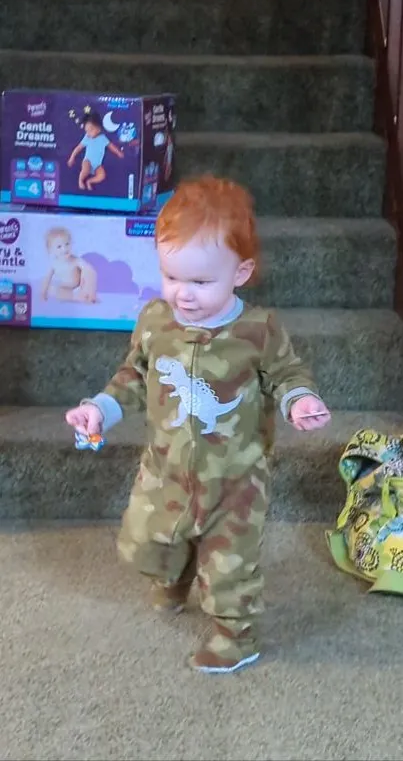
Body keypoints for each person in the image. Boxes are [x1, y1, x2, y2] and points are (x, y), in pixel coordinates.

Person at [65, 175, 331, 674]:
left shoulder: (258, 330)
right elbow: (134, 374)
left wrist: (300, 400)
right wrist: (100, 406)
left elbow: (288, 373)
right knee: (150, 538)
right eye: (171, 277)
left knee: (229, 565)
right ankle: (174, 575)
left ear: (241, 272)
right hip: (165, 467)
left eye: (201, 282)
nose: (182, 294)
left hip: (235, 478)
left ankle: (236, 634)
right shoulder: (155, 320)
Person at [67, 111, 123, 191]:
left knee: (102, 175)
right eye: (87, 131)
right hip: (88, 161)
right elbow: (78, 148)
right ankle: (80, 181)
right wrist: (72, 157)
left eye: (90, 130)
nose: (88, 133)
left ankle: (90, 181)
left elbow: (111, 146)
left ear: (98, 129)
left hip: (97, 164)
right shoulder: (87, 137)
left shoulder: (103, 138)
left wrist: (118, 153)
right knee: (85, 170)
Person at [42, 227, 97, 302]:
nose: (64, 249)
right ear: (50, 250)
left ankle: (86, 295)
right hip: (65, 287)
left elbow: (88, 269)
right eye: (59, 246)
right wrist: (43, 292)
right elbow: (47, 279)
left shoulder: (76, 260)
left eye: (67, 244)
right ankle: (75, 297)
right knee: (51, 289)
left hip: (79, 287)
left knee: (89, 272)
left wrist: (87, 284)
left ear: (71, 243)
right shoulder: (54, 264)